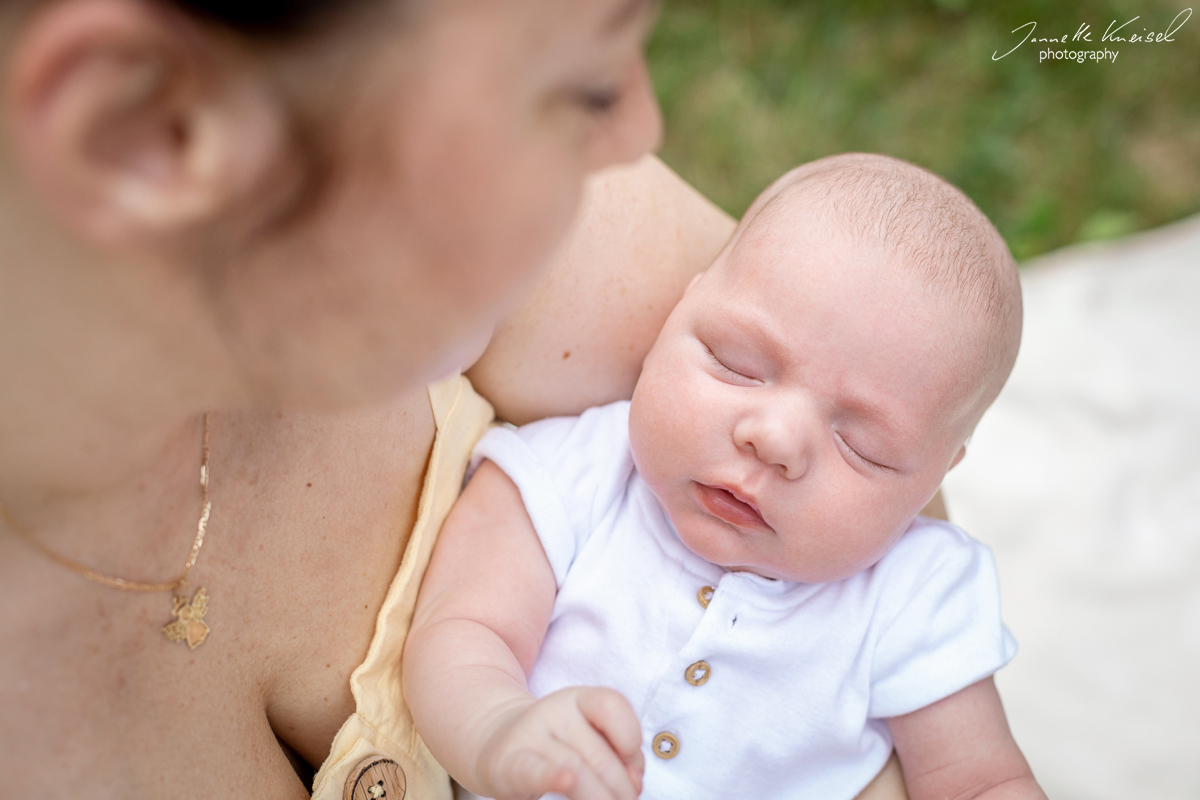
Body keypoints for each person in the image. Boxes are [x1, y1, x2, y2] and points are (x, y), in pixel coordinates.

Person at [0, 2, 921, 798]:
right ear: (144, 130)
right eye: (586, 86)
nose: (638, 130)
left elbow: (891, 433)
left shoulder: (541, 248)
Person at [403, 154, 1046, 800]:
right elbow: (461, 632)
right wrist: (499, 729)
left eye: (863, 447)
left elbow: (981, 781)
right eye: (736, 364)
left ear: (934, 478)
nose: (773, 442)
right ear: (679, 311)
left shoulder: (913, 594)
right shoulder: (575, 473)